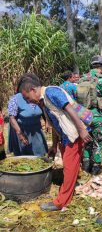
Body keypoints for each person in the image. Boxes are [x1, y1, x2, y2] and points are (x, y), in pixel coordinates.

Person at [18, 74, 92, 211]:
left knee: (69, 168)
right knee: (70, 167)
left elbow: (69, 109)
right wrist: (54, 145)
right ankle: (68, 193)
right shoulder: (43, 101)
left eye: (28, 97)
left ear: (33, 90)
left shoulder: (51, 92)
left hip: (74, 135)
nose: (29, 101)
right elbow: (55, 123)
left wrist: (81, 130)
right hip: (65, 136)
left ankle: (61, 202)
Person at [80, 55, 102, 175]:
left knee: (86, 140)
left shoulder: (82, 78)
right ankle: (96, 167)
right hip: (96, 116)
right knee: (98, 141)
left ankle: (85, 165)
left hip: (83, 116)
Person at [8, 75, 48, 157]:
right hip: (22, 130)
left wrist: (47, 121)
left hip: (36, 130)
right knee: (24, 155)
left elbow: (43, 110)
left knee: (39, 152)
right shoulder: (15, 99)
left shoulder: (38, 96)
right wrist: (20, 134)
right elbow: (12, 118)